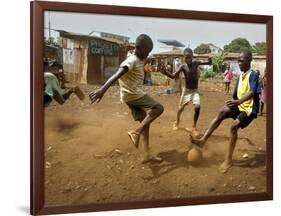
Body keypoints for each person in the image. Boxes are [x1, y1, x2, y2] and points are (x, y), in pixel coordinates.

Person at [89, 34, 164, 164]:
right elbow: (117, 74)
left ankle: (146, 154)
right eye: (146, 52)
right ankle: (136, 132)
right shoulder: (132, 60)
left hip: (130, 96)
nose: (147, 55)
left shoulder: (139, 58)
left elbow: (143, 59)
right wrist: (103, 90)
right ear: (139, 48)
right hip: (134, 95)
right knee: (158, 108)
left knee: (145, 122)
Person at [190, 50, 260, 173]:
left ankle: (228, 161)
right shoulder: (240, 77)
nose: (239, 63)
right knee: (222, 111)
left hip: (249, 109)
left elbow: (252, 92)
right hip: (239, 105)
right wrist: (232, 102)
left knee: (233, 127)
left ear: (249, 60)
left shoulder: (253, 75)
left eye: (241, 60)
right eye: (238, 61)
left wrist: (237, 102)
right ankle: (203, 140)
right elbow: (235, 95)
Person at [161, 48, 212, 137]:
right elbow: (173, 76)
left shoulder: (196, 63)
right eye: (186, 57)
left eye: (189, 57)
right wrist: (165, 72)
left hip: (195, 90)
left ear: (192, 57)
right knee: (181, 108)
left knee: (197, 107)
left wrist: (210, 58)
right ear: (184, 57)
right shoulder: (182, 66)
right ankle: (177, 121)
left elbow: (209, 63)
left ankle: (194, 127)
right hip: (186, 91)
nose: (188, 59)